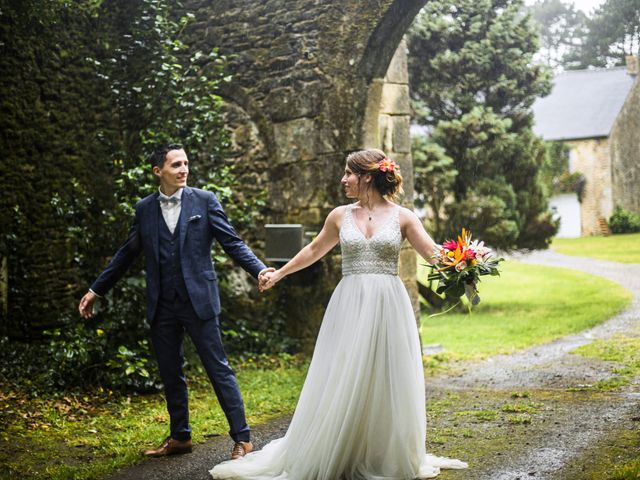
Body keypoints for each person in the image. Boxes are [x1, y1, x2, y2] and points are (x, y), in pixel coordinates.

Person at [211, 148, 467, 479]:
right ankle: (338, 447)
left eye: (348, 173)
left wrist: (466, 263)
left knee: (386, 374)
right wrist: (279, 273)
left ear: (367, 176)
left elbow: (433, 254)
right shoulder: (339, 215)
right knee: (344, 370)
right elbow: (315, 249)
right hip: (350, 302)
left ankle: (381, 452)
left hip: (389, 304)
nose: (343, 179)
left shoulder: (404, 216)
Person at [78, 143, 273, 460]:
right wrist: (96, 289)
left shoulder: (205, 200)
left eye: (185, 164)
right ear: (158, 171)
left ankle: (243, 438)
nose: (183, 169)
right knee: (170, 372)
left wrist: (259, 269)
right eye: (175, 165)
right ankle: (180, 436)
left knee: (217, 369)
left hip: (199, 301)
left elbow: (232, 242)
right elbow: (126, 254)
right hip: (162, 304)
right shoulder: (144, 209)